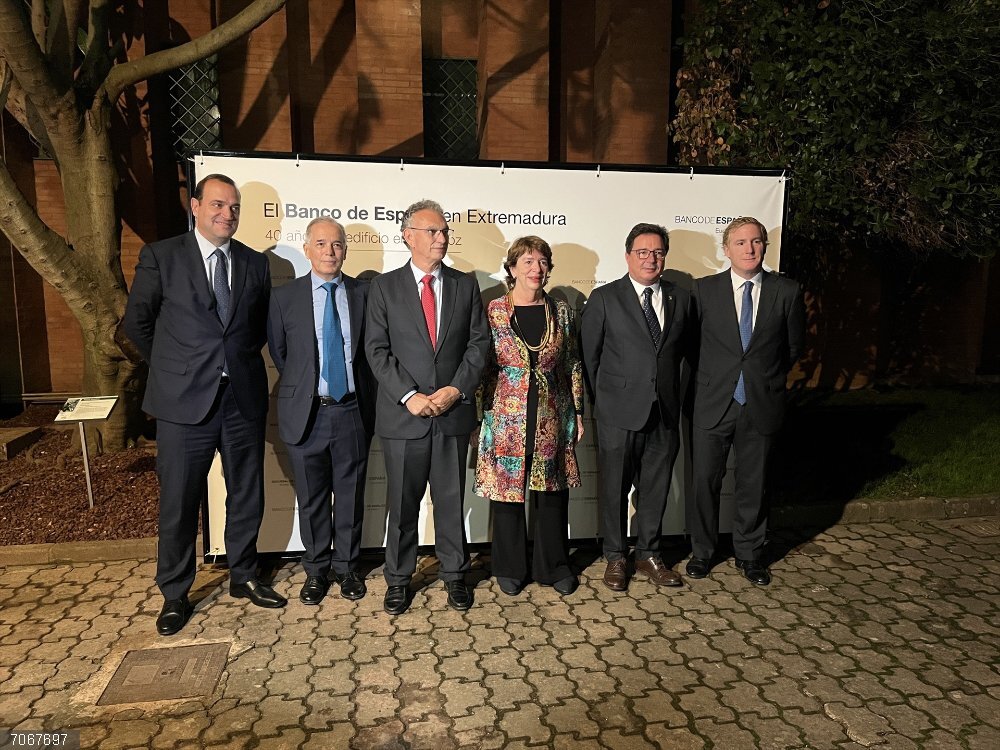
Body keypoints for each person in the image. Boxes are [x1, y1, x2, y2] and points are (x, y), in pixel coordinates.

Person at [123, 173, 285, 637]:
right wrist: (175, 367)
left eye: (233, 207)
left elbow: (252, 330)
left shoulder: (254, 263)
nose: (226, 214)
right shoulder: (162, 256)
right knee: (179, 502)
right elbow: (137, 323)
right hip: (182, 404)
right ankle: (175, 593)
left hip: (241, 399)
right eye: (217, 204)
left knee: (247, 493)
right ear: (195, 207)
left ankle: (244, 575)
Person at [365, 199, 489, 615]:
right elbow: (376, 350)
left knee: (451, 501)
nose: (441, 238)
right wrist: (409, 396)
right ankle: (399, 579)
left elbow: (478, 345)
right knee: (402, 506)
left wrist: (456, 390)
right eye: (432, 231)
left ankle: (455, 575)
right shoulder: (384, 287)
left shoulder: (464, 284)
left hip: (452, 414)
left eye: (444, 231)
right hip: (405, 417)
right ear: (408, 236)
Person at [686, 216, 805, 586]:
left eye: (756, 242)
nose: (749, 249)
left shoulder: (787, 292)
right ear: (726, 250)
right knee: (705, 480)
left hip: (760, 402)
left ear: (765, 246)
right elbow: (690, 345)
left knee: (754, 483)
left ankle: (750, 554)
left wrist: (760, 379)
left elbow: (793, 347)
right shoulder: (703, 291)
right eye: (740, 243)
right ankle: (702, 552)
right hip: (712, 402)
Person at [580, 222, 695, 592]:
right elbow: (589, 359)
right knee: (614, 488)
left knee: (657, 486)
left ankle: (648, 553)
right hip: (617, 412)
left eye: (658, 252)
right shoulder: (604, 298)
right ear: (628, 255)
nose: (651, 259)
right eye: (643, 252)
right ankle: (615, 556)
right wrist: (604, 403)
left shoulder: (681, 298)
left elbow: (686, 356)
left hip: (664, 412)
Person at [267, 217, 375, 605]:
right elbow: (283, 355)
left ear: (345, 250)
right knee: (311, 498)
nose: (330, 251)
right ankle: (315, 570)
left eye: (338, 245)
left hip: (351, 412)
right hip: (307, 414)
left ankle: (346, 568)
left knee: (349, 496)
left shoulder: (365, 294)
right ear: (308, 248)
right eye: (322, 244)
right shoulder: (284, 297)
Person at [474, 236, 585, 597]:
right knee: (507, 495)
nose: (536, 269)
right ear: (511, 269)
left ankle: (553, 566)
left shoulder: (562, 311)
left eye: (542, 262)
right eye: (527, 262)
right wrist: (479, 419)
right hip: (505, 415)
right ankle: (509, 567)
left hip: (552, 412)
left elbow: (572, 364)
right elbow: (483, 368)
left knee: (551, 493)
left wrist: (578, 413)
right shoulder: (494, 311)